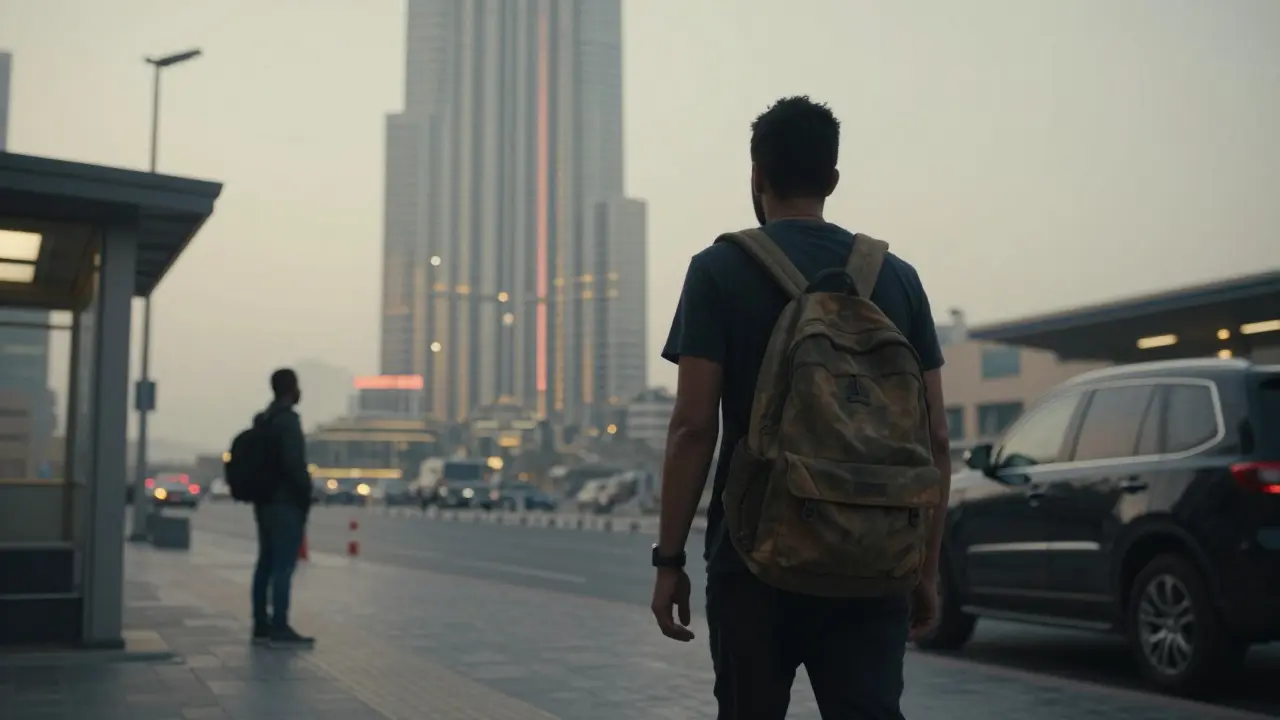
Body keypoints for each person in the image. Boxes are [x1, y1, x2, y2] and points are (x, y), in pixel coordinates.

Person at [650, 96, 951, 719]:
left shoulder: (717, 270)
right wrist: (925, 568)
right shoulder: (898, 278)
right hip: (873, 556)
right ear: (833, 181)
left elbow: (693, 428)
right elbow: (937, 438)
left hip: (755, 555)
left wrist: (669, 560)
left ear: (756, 177)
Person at [251, 368, 316, 647]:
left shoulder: (264, 419)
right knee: (282, 567)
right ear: (292, 389)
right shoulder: (288, 421)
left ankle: (260, 625)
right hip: (285, 502)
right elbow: (294, 464)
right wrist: (305, 493)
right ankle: (279, 626)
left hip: (264, 501)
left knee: (265, 563)